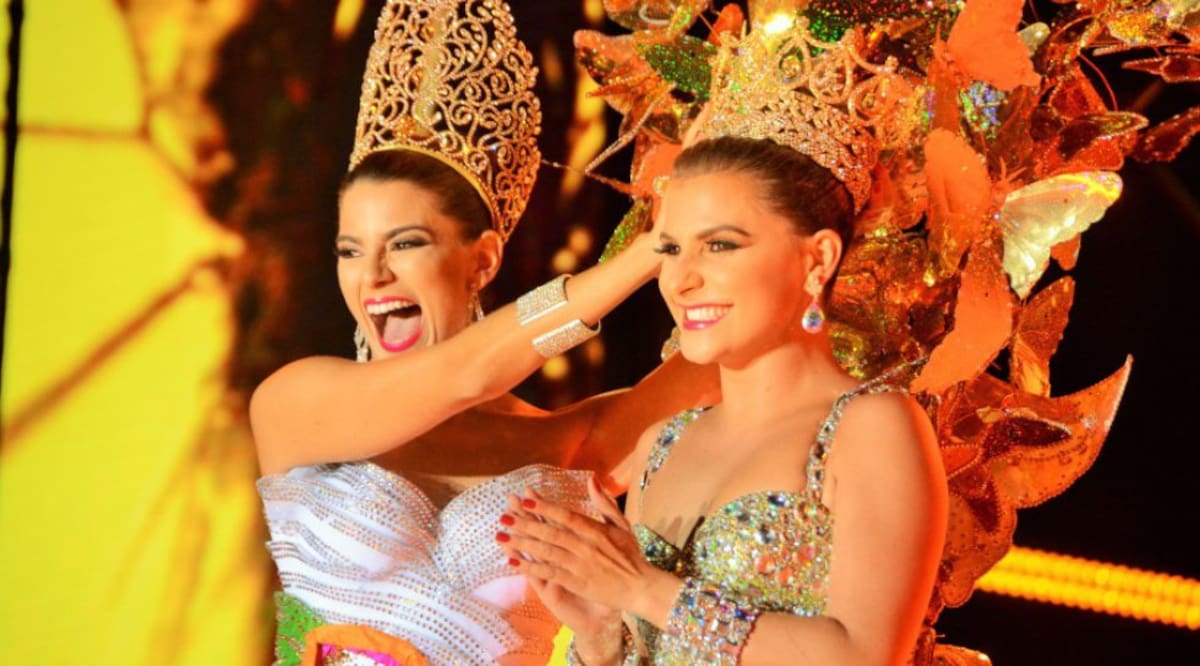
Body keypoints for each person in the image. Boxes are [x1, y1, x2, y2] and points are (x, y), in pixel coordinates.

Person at [252, 1, 715, 664]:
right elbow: (468, 374)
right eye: (350, 250)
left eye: (405, 243)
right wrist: (644, 254)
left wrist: (722, 210)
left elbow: (727, 358)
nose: (372, 275)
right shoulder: (295, 406)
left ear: (484, 260)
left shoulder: (567, 447)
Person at [495, 16, 948, 666]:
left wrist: (644, 591)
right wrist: (600, 639)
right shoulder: (662, 444)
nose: (682, 278)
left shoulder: (871, 426)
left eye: (720, 245)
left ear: (817, 259)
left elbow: (864, 655)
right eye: (671, 249)